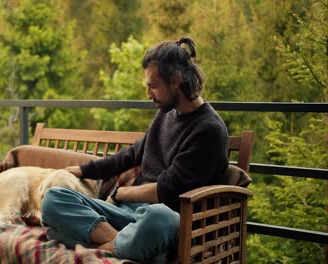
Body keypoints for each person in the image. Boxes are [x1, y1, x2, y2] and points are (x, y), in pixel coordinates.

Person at [41, 36, 229, 262]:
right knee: (53, 198)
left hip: (172, 220)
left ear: (176, 80)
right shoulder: (166, 113)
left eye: (153, 86)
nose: (148, 94)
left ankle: (105, 244)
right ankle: (125, 245)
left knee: (160, 217)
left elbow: (167, 190)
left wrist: (120, 193)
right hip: (128, 217)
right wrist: (83, 170)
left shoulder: (208, 130)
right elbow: (131, 155)